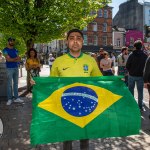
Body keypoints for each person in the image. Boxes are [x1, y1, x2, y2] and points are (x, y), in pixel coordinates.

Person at [50, 29, 102, 150]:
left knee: (85, 139)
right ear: (67, 42)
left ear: (82, 42)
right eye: (71, 38)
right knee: (67, 140)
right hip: (65, 107)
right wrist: (39, 85)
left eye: (78, 38)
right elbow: (51, 84)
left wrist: (115, 83)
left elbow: (99, 80)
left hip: (85, 107)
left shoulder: (90, 60)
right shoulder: (58, 61)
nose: (75, 41)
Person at [126, 40, 147, 111]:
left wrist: (130, 70)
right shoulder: (145, 55)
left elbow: (127, 65)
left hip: (131, 75)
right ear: (141, 47)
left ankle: (132, 106)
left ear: (134, 47)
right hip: (140, 76)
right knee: (140, 92)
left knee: (131, 90)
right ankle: (140, 106)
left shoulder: (131, 55)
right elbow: (146, 67)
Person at [2, 37, 24, 105]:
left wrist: (13, 59)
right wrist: (15, 59)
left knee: (16, 83)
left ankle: (16, 98)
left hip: (16, 67)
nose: (12, 42)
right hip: (9, 68)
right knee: (9, 84)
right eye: (11, 41)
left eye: (13, 41)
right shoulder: (5, 50)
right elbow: (8, 60)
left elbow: (19, 59)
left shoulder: (16, 50)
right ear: (8, 42)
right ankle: (9, 99)